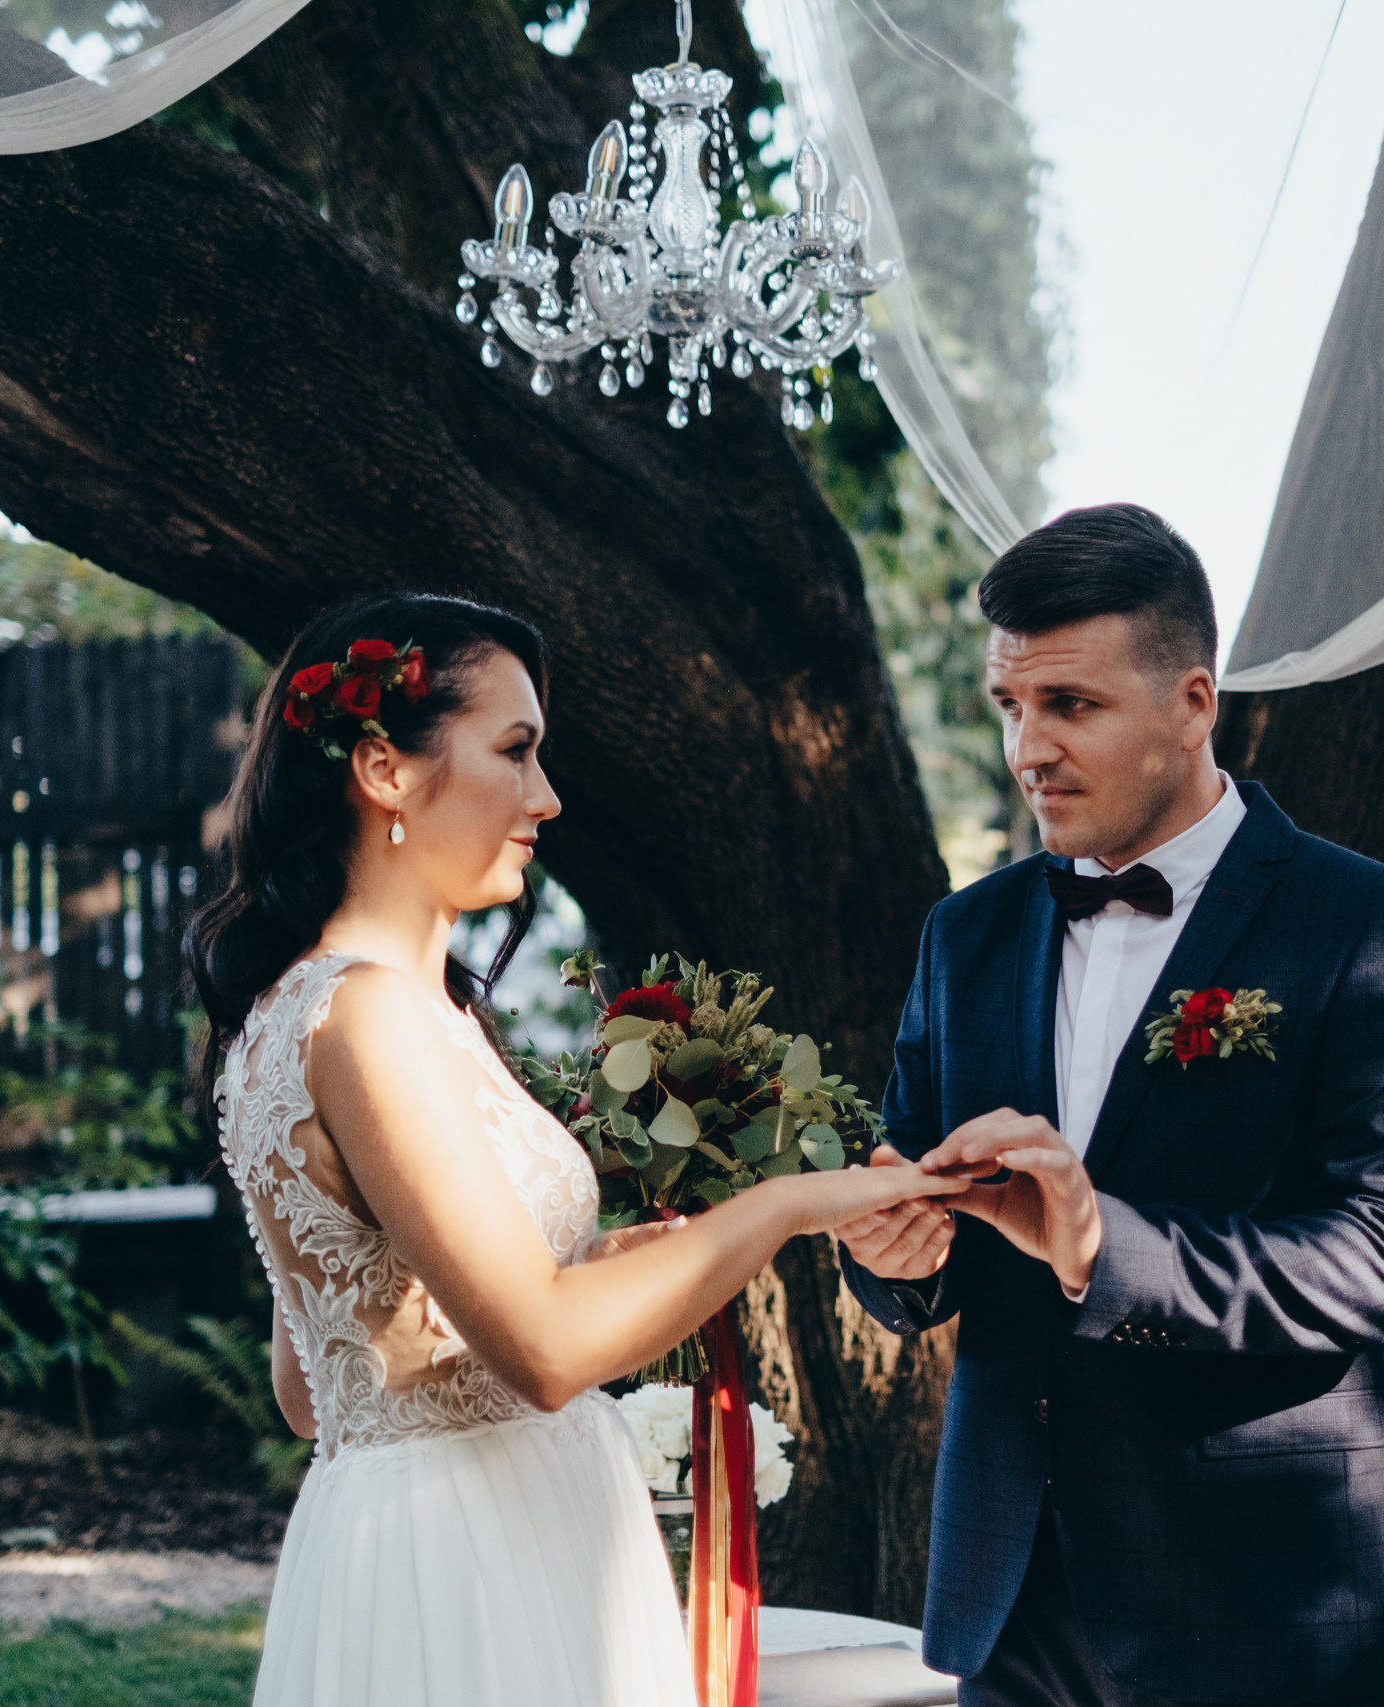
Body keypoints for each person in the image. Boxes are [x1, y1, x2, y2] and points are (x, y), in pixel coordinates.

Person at [187, 592, 966, 1707]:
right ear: (384, 769)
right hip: (466, 1562)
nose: (547, 798)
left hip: (433, 1525)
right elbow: (546, 1355)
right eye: (515, 751)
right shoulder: (371, 1019)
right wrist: (794, 1204)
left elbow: (317, 1386)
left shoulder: (318, 1012)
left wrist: (593, 1272)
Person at [834, 504, 1384, 1707]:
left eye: (1070, 705)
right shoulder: (964, 937)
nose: (1027, 747)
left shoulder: (1379, 931)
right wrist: (894, 1256)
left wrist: (1103, 1246)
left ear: (1193, 705)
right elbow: (919, 1224)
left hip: (1270, 1607)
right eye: (1010, 706)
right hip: (1011, 1598)